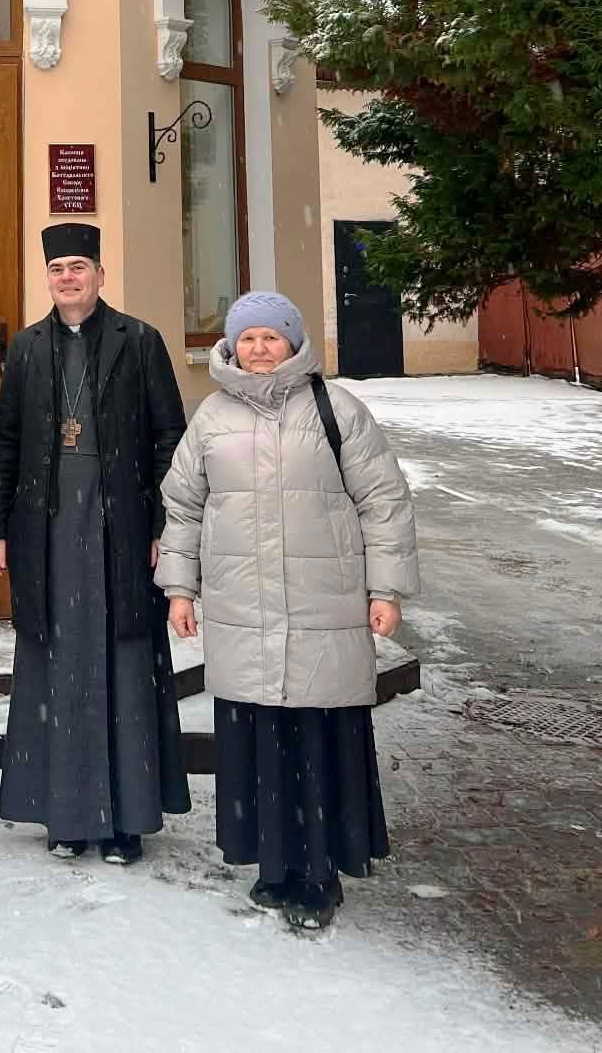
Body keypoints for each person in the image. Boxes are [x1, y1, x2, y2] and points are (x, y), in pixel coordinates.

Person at [156, 289, 420, 931]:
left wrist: (385, 591)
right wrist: (180, 588)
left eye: (271, 336)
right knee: (260, 742)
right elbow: (183, 508)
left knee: (316, 740)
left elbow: (383, 501)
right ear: (232, 345)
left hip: (322, 610)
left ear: (293, 342)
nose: (259, 348)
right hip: (243, 611)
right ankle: (273, 867)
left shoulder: (338, 410)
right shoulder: (211, 417)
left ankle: (318, 873)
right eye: (247, 338)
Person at [0, 224, 190, 864]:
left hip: (120, 527)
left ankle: (126, 819)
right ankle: (65, 815)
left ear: (100, 274)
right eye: (58, 269)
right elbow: (7, 440)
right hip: (47, 531)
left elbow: (169, 438)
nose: (68, 278)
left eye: (78, 267)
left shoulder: (140, 341)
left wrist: (163, 525)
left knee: (122, 668)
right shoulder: (28, 347)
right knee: (57, 667)